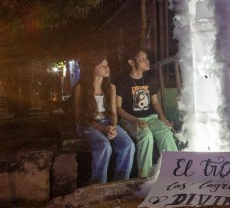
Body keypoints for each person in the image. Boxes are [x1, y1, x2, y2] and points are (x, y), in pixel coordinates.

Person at [113, 49, 178, 178]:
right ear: (132, 62)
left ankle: (175, 172)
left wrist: (163, 119)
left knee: (165, 133)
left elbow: (155, 103)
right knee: (146, 136)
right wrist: (134, 120)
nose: (147, 61)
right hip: (130, 120)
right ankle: (144, 176)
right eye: (141, 59)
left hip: (151, 118)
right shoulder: (121, 81)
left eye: (147, 58)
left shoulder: (150, 79)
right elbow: (118, 107)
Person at [72, 53, 135, 184]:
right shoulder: (80, 88)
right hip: (88, 125)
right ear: (93, 69)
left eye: (107, 65)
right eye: (102, 65)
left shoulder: (110, 87)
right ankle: (98, 184)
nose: (107, 68)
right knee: (104, 146)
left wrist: (112, 127)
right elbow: (80, 117)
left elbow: (113, 112)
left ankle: (121, 182)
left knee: (128, 145)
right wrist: (102, 129)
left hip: (107, 123)